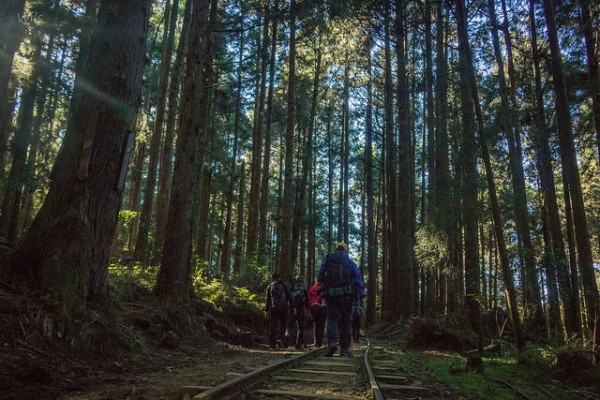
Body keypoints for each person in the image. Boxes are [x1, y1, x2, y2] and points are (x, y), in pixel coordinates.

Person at [317, 242, 366, 357]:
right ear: (345, 250)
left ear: (336, 249)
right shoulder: (349, 262)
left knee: (332, 319)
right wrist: (362, 294)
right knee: (346, 321)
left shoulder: (328, 259)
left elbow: (319, 277)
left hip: (331, 295)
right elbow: (357, 278)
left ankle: (332, 343)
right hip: (346, 296)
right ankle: (345, 349)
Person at [265, 272, 292, 349]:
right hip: (284, 308)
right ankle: (281, 340)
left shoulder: (270, 286)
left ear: (272, 278)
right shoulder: (283, 285)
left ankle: (272, 344)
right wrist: (292, 307)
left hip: (274, 308)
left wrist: (266, 310)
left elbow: (267, 299)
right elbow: (289, 297)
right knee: (283, 325)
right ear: (279, 278)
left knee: (273, 326)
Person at [287, 275, 309, 349]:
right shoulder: (303, 289)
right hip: (301, 309)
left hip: (291, 309)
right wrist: (307, 310)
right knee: (301, 326)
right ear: (302, 281)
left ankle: (288, 341)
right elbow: (307, 301)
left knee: (290, 325)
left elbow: (288, 298)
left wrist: (291, 308)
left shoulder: (291, 288)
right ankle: (299, 344)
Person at [307, 280, 327, 347]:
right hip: (323, 308)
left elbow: (308, 298)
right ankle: (320, 342)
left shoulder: (311, 289)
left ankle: (316, 342)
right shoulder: (324, 289)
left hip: (314, 308)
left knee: (316, 325)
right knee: (321, 325)